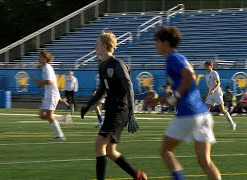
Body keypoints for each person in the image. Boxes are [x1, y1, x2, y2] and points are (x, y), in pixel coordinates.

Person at [154, 26, 221, 180]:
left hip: (188, 113)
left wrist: (175, 97)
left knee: (166, 151)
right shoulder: (180, 57)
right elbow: (185, 85)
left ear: (166, 42)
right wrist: (160, 100)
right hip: (203, 114)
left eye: (157, 41)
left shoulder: (172, 58)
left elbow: (189, 76)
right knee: (205, 162)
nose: (155, 45)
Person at [80, 30, 147, 180]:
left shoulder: (117, 64)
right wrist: (88, 105)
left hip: (119, 110)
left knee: (99, 145)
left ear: (104, 46)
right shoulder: (103, 66)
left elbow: (129, 86)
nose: (95, 47)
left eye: (97, 44)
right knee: (110, 151)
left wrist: (132, 112)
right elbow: (101, 91)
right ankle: (138, 176)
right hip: (111, 109)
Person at [33, 50, 65, 141]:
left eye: (40, 57)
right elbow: (48, 82)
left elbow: (50, 82)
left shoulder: (47, 68)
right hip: (49, 94)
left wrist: (39, 82)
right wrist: (41, 83)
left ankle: (60, 136)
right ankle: (63, 118)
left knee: (49, 115)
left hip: (51, 94)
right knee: (42, 115)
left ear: (45, 59)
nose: (38, 58)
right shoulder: (45, 68)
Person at [204, 61, 236, 131]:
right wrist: (206, 95)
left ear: (210, 66)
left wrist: (213, 90)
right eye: (205, 66)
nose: (205, 68)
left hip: (217, 94)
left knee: (222, 110)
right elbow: (208, 87)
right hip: (210, 95)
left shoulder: (214, 73)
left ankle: (232, 123)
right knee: (205, 110)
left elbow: (218, 83)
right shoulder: (206, 75)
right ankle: (206, 126)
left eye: (206, 66)